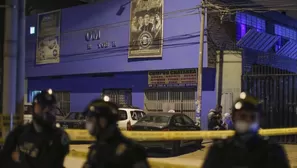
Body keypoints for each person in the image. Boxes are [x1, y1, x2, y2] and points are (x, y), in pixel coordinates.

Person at [202, 92, 290, 168]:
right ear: (234, 118)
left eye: (252, 117)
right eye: (243, 116)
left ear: (259, 119)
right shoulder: (219, 151)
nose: (247, 120)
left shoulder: (272, 152)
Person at [0, 89, 70, 168]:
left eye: (50, 108)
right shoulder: (19, 133)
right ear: (33, 108)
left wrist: (21, 158)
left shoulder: (59, 136)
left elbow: (50, 162)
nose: (46, 111)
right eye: (41, 107)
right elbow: (4, 160)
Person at [82, 97, 150, 168]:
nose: (88, 124)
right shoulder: (95, 149)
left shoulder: (132, 151)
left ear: (103, 121)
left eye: (91, 120)